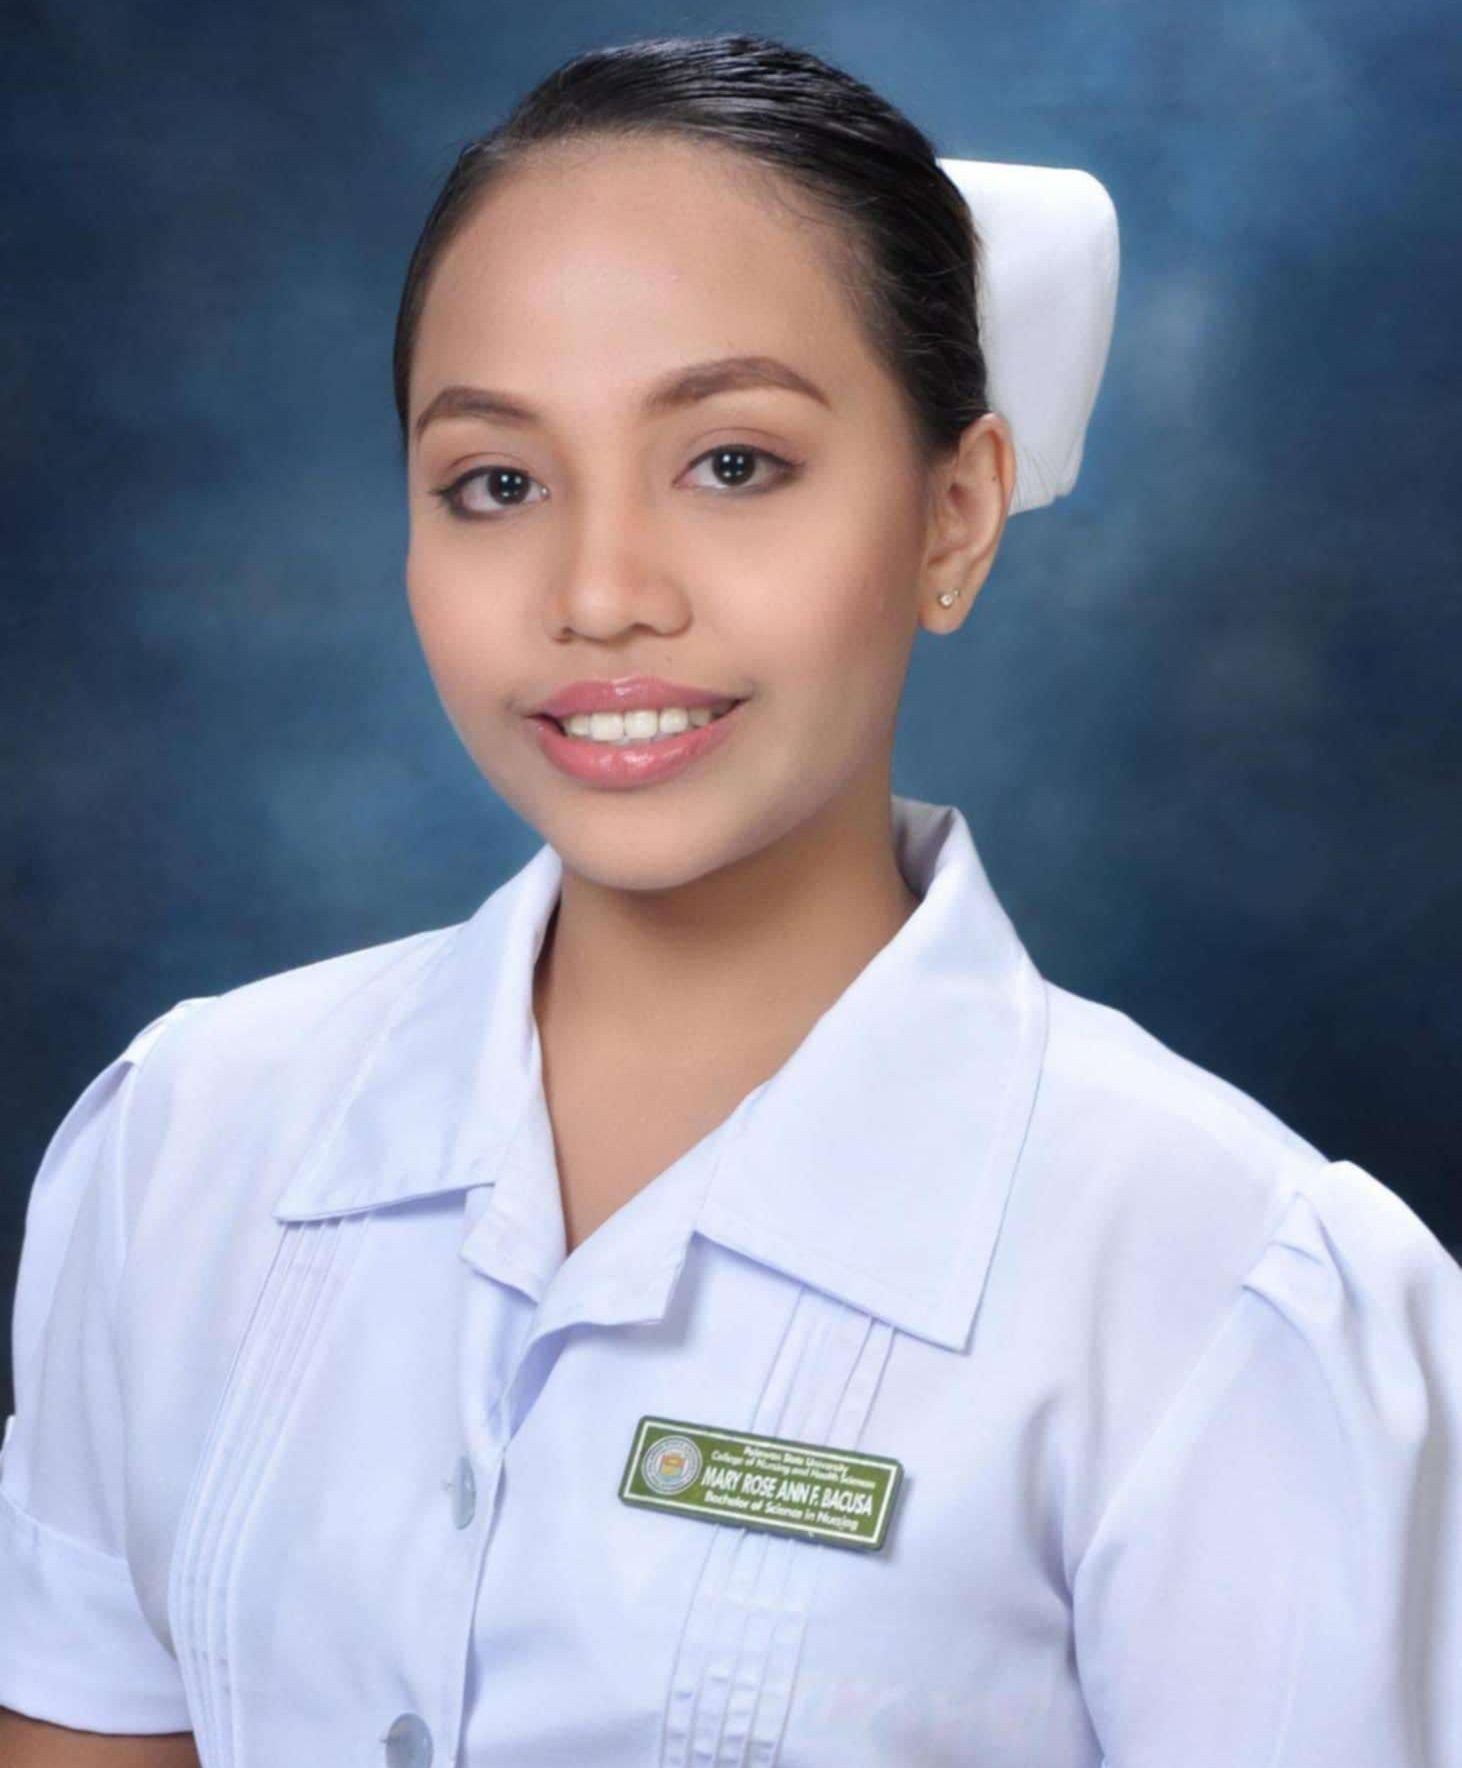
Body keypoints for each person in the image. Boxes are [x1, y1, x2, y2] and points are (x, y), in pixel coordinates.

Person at [2, 29, 1459, 1768]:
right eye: (497, 483)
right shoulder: (186, 1139)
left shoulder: (1225, 1286)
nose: (600, 594)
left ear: (954, 515)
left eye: (732, 463)